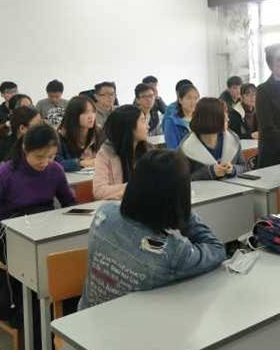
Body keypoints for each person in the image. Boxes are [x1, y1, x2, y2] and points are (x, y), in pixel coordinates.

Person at [0, 123, 76, 350]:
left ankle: (66, 344)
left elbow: (70, 204)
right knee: (36, 298)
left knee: (71, 286)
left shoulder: (55, 170)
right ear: (25, 148)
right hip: (12, 242)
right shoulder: (5, 173)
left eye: (51, 156)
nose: (45, 162)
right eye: (39, 156)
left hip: (45, 236)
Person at [78, 150, 226, 310]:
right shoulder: (172, 253)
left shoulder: (104, 213)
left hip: (87, 317)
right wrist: (182, 211)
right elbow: (216, 249)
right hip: (132, 324)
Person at [179, 97, 246, 180]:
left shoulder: (233, 138)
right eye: (224, 115)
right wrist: (209, 172)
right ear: (212, 119)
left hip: (232, 187)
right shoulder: (187, 146)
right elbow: (181, 179)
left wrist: (233, 169)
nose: (228, 119)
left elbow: (244, 167)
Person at [0, 106, 42, 185]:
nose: (42, 128)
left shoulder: (43, 145)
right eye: (37, 126)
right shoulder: (0, 147)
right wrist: (7, 176)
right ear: (22, 128)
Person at [93, 105, 150, 200]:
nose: (148, 126)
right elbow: (99, 191)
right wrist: (134, 187)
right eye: (143, 121)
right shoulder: (106, 153)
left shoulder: (149, 151)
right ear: (129, 126)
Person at [56, 96, 103, 172]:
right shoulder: (60, 136)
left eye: (93, 111)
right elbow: (56, 164)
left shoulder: (99, 132)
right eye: (85, 112)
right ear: (74, 115)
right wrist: (81, 163)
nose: (91, 116)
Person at [161, 83, 199, 150]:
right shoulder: (171, 121)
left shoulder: (200, 119)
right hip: (181, 156)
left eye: (196, 98)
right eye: (189, 98)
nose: (193, 102)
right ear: (180, 100)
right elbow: (172, 148)